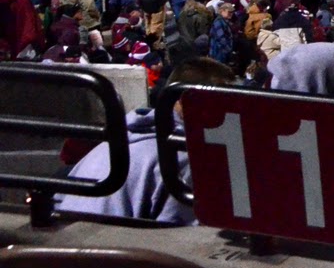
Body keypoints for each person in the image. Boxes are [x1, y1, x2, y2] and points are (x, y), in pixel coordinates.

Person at [57, 57, 234, 224]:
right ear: (188, 101)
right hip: (109, 252)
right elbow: (178, 238)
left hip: (67, 245)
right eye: (226, 103)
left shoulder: (116, 142)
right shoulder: (183, 158)